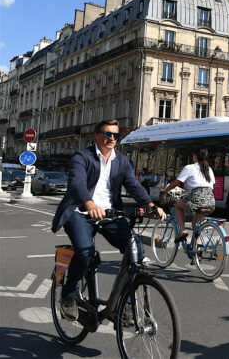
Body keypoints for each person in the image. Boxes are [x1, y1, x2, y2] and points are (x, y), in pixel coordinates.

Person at [51, 119, 166, 321]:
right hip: (80, 213)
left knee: (135, 250)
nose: (112, 138)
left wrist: (151, 206)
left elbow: (133, 185)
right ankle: (68, 295)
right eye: (107, 134)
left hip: (109, 214)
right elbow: (77, 184)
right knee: (85, 252)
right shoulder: (82, 157)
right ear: (96, 135)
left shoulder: (121, 161)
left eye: (115, 135)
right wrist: (90, 205)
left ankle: (126, 303)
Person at [160, 148, 216, 243]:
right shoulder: (209, 169)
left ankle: (182, 231)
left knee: (178, 206)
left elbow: (177, 182)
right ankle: (198, 249)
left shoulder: (189, 168)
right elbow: (210, 187)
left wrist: (165, 190)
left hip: (196, 199)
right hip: (211, 201)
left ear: (194, 156)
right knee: (195, 225)